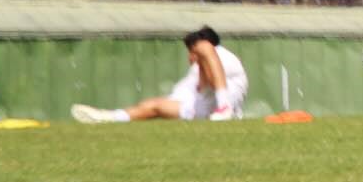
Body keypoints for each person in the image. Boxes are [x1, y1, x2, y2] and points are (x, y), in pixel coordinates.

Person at [71, 26, 249, 123]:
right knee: (152, 105)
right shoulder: (205, 63)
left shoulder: (219, 54)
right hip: (201, 109)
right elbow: (199, 89)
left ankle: (223, 108)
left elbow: (207, 84)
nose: (189, 56)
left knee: (155, 105)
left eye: (191, 50)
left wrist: (201, 56)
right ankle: (108, 117)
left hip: (216, 109)